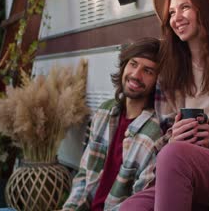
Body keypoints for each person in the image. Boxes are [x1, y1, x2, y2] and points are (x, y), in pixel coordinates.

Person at [120, 0, 209, 211]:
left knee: (175, 156)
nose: (176, 18)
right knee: (131, 207)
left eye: (184, 8)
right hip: (180, 167)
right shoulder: (169, 74)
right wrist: (174, 138)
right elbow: (165, 136)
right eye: (172, 13)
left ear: (204, 10)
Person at [60, 37, 162, 211]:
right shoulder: (104, 113)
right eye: (133, 64)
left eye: (148, 71)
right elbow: (84, 175)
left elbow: (139, 201)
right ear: (124, 66)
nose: (136, 75)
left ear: (157, 81)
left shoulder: (155, 134)